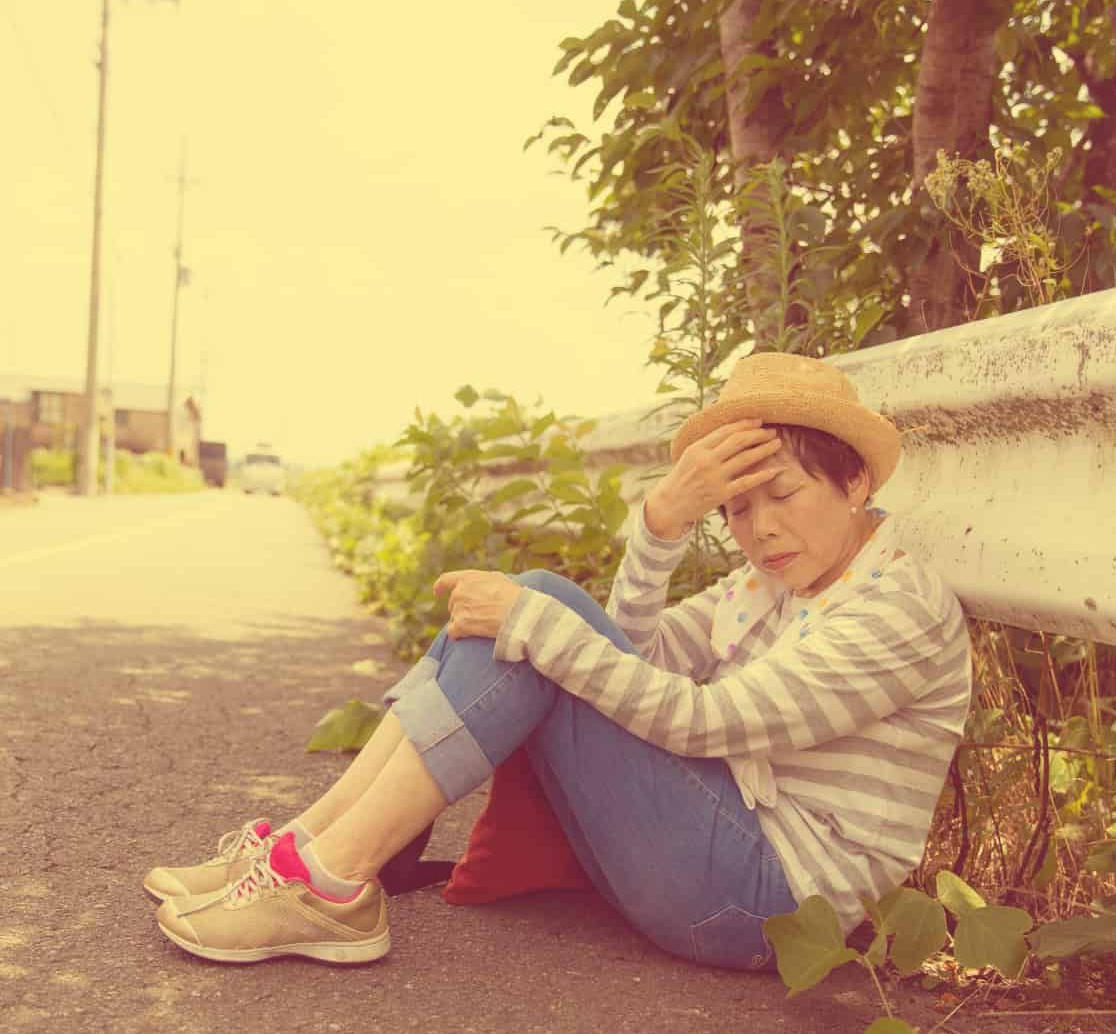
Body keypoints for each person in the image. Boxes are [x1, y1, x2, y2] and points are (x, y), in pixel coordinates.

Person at [146, 353, 973, 970]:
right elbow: (630, 652)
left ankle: (331, 881)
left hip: (771, 906)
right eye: (737, 509)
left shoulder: (897, 607)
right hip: (716, 852)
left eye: (783, 496)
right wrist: (660, 523)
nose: (759, 531)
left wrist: (535, 622)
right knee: (535, 611)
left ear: (856, 480)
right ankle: (307, 850)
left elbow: (700, 720)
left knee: (536, 615)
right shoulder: (773, 586)